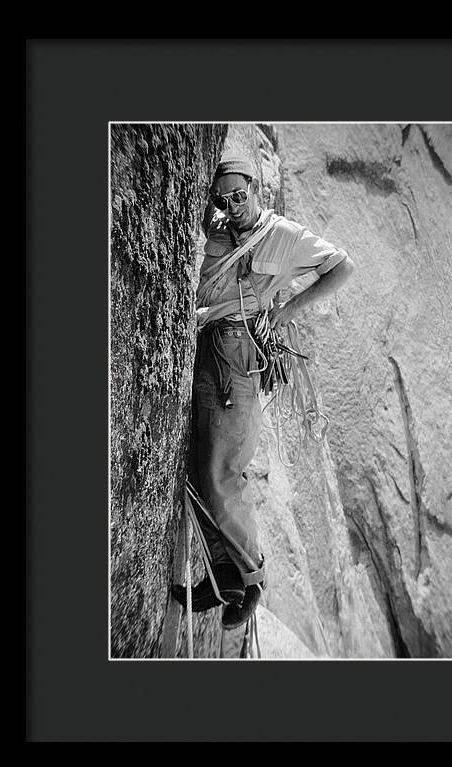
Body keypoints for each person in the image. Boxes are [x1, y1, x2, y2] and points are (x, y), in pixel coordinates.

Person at [172, 156, 354, 631]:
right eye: (224, 198)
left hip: (238, 355)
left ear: (258, 191)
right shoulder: (217, 230)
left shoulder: (283, 235)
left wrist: (287, 310)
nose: (233, 205)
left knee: (224, 470)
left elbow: (341, 266)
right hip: (209, 344)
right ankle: (224, 578)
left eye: (240, 195)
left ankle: (251, 580)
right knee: (198, 460)